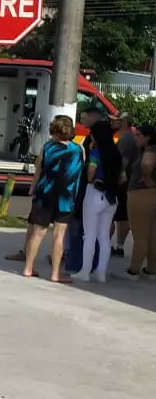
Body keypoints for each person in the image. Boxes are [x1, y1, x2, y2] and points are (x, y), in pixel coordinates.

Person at [21, 115, 85, 283]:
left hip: (45, 194)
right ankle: (55, 274)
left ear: (54, 131)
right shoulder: (79, 150)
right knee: (59, 235)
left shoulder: (47, 147)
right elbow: (79, 171)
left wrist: (33, 188)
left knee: (37, 233)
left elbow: (38, 170)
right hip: (67, 197)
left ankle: (28, 268)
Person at [74, 119, 126, 282]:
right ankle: (101, 273)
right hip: (111, 198)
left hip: (95, 193)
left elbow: (90, 173)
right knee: (104, 237)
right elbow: (123, 178)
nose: (90, 136)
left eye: (92, 133)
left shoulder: (96, 152)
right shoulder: (116, 153)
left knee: (89, 235)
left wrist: (91, 162)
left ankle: (85, 271)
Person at [122, 125, 156, 280]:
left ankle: (133, 271)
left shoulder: (150, 149)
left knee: (140, 234)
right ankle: (151, 270)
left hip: (141, 194)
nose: (136, 138)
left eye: (139, 135)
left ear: (148, 137)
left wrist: (147, 178)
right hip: (152, 194)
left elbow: (147, 164)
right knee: (152, 235)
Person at [112, 112, 136, 257]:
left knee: (122, 214)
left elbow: (123, 162)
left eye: (117, 120)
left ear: (124, 122)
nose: (113, 122)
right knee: (122, 215)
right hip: (126, 181)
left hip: (124, 182)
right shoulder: (126, 136)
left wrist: (116, 179)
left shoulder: (126, 138)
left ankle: (119, 245)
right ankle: (118, 245)